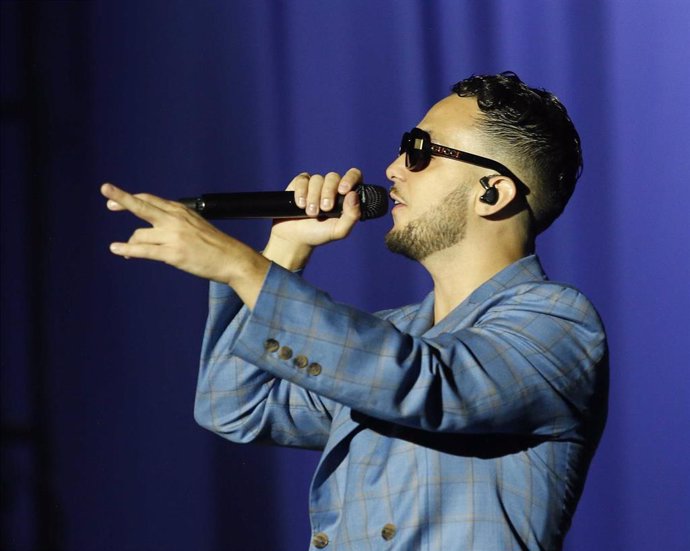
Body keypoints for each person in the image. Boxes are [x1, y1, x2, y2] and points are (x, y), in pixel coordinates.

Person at [102, 72, 608, 551]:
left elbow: (426, 384)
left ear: (491, 192)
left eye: (419, 151)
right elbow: (234, 406)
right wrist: (282, 250)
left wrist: (244, 270)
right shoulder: (393, 334)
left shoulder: (559, 324)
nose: (391, 169)